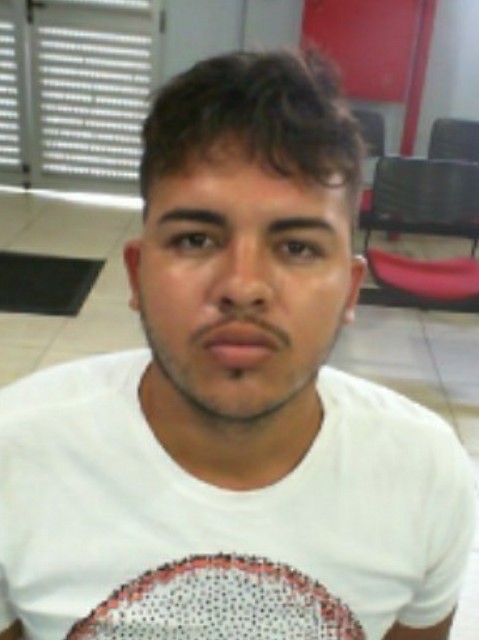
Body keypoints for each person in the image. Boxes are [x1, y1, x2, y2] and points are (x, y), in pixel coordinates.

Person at [0, 47, 476, 640]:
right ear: (137, 277)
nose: (242, 287)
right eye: (196, 239)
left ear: (350, 290)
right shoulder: (14, 454)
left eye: (297, 247)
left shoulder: (426, 475)